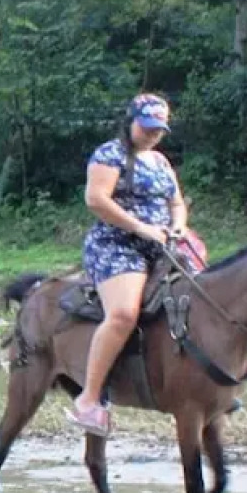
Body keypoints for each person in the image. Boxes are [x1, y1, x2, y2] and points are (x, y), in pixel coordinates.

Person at [68, 94, 186, 436]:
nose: (152, 135)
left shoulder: (161, 162)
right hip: (116, 245)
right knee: (123, 314)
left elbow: (176, 202)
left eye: (158, 130)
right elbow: (96, 199)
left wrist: (177, 225)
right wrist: (140, 227)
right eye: (146, 127)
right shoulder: (110, 155)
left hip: (162, 246)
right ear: (131, 122)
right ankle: (88, 402)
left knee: (206, 299)